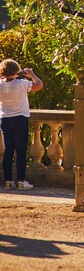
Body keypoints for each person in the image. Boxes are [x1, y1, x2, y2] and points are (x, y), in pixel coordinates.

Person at [0, 59, 43, 191]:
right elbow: (39, 85)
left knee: (8, 152)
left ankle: (8, 181)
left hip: (5, 120)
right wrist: (31, 74)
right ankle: (21, 181)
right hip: (20, 119)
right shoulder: (22, 84)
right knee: (20, 152)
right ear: (16, 71)